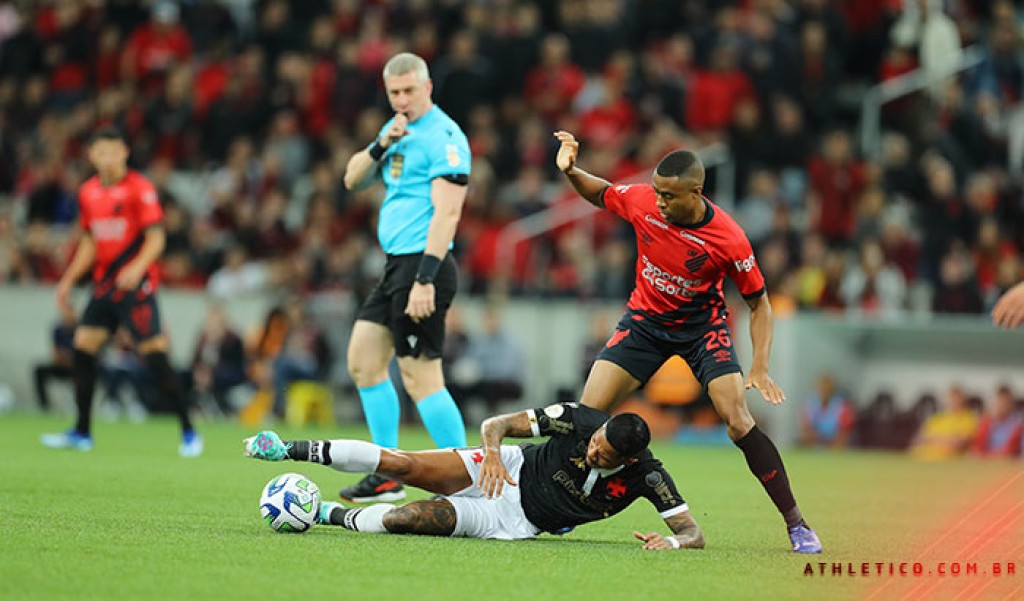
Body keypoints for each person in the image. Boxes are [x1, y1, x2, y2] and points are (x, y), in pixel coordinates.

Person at [552, 131, 821, 553]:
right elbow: (602, 193)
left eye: (669, 197)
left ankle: (797, 524)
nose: (658, 203)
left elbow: (760, 305)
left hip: (701, 330)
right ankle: (566, 509)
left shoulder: (729, 239)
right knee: (585, 416)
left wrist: (759, 367)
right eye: (657, 193)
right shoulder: (645, 202)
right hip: (644, 324)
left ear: (696, 192)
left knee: (737, 420)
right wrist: (570, 171)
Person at [244, 403, 705, 549]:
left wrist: (674, 542)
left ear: (626, 461)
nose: (591, 450)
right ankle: (287, 448)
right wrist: (494, 454)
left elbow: (692, 531)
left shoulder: (649, 477)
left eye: (602, 453)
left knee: (404, 519)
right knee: (404, 463)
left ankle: (327, 514)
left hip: (513, 523)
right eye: (594, 440)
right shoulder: (578, 419)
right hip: (505, 469)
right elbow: (496, 425)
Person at [339, 52, 471, 502]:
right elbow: (352, 180)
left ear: (428, 87)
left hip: (424, 266)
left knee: (421, 379)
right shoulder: (394, 131)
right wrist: (380, 145)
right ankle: (387, 473)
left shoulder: (445, 138)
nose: (401, 100)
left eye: (409, 91)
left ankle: (467, 477)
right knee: (363, 360)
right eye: (394, 93)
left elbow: (448, 213)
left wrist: (426, 279)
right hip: (397, 265)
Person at [41, 127, 202, 456]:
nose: (109, 158)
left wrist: (138, 267)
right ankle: (82, 432)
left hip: (137, 288)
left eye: (115, 152)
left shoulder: (139, 189)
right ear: (92, 156)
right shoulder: (88, 192)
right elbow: (89, 241)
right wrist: (69, 280)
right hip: (104, 285)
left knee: (155, 356)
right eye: (102, 152)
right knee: (83, 348)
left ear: (125, 153)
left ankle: (188, 430)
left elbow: (156, 238)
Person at [33, 304, 79, 412]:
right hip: (61, 366)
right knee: (39, 370)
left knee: (85, 372)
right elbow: (56, 353)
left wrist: (68, 355)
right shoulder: (58, 330)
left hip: (75, 367)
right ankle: (44, 406)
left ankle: (80, 405)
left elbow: (80, 354)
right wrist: (67, 355)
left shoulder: (80, 330)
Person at [799, 373, 856, 449]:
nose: (825, 389)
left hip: (835, 440)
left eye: (827, 387)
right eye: (822, 387)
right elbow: (805, 426)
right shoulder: (811, 403)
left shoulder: (841, 405)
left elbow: (845, 431)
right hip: (815, 440)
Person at [971, 385, 1023, 458]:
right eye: (999, 402)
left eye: (1005, 403)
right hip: (987, 460)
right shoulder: (988, 421)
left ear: (1011, 404)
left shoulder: (1018, 423)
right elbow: (977, 447)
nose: (1001, 406)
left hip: (1005, 461)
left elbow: (1010, 451)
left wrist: (985, 456)